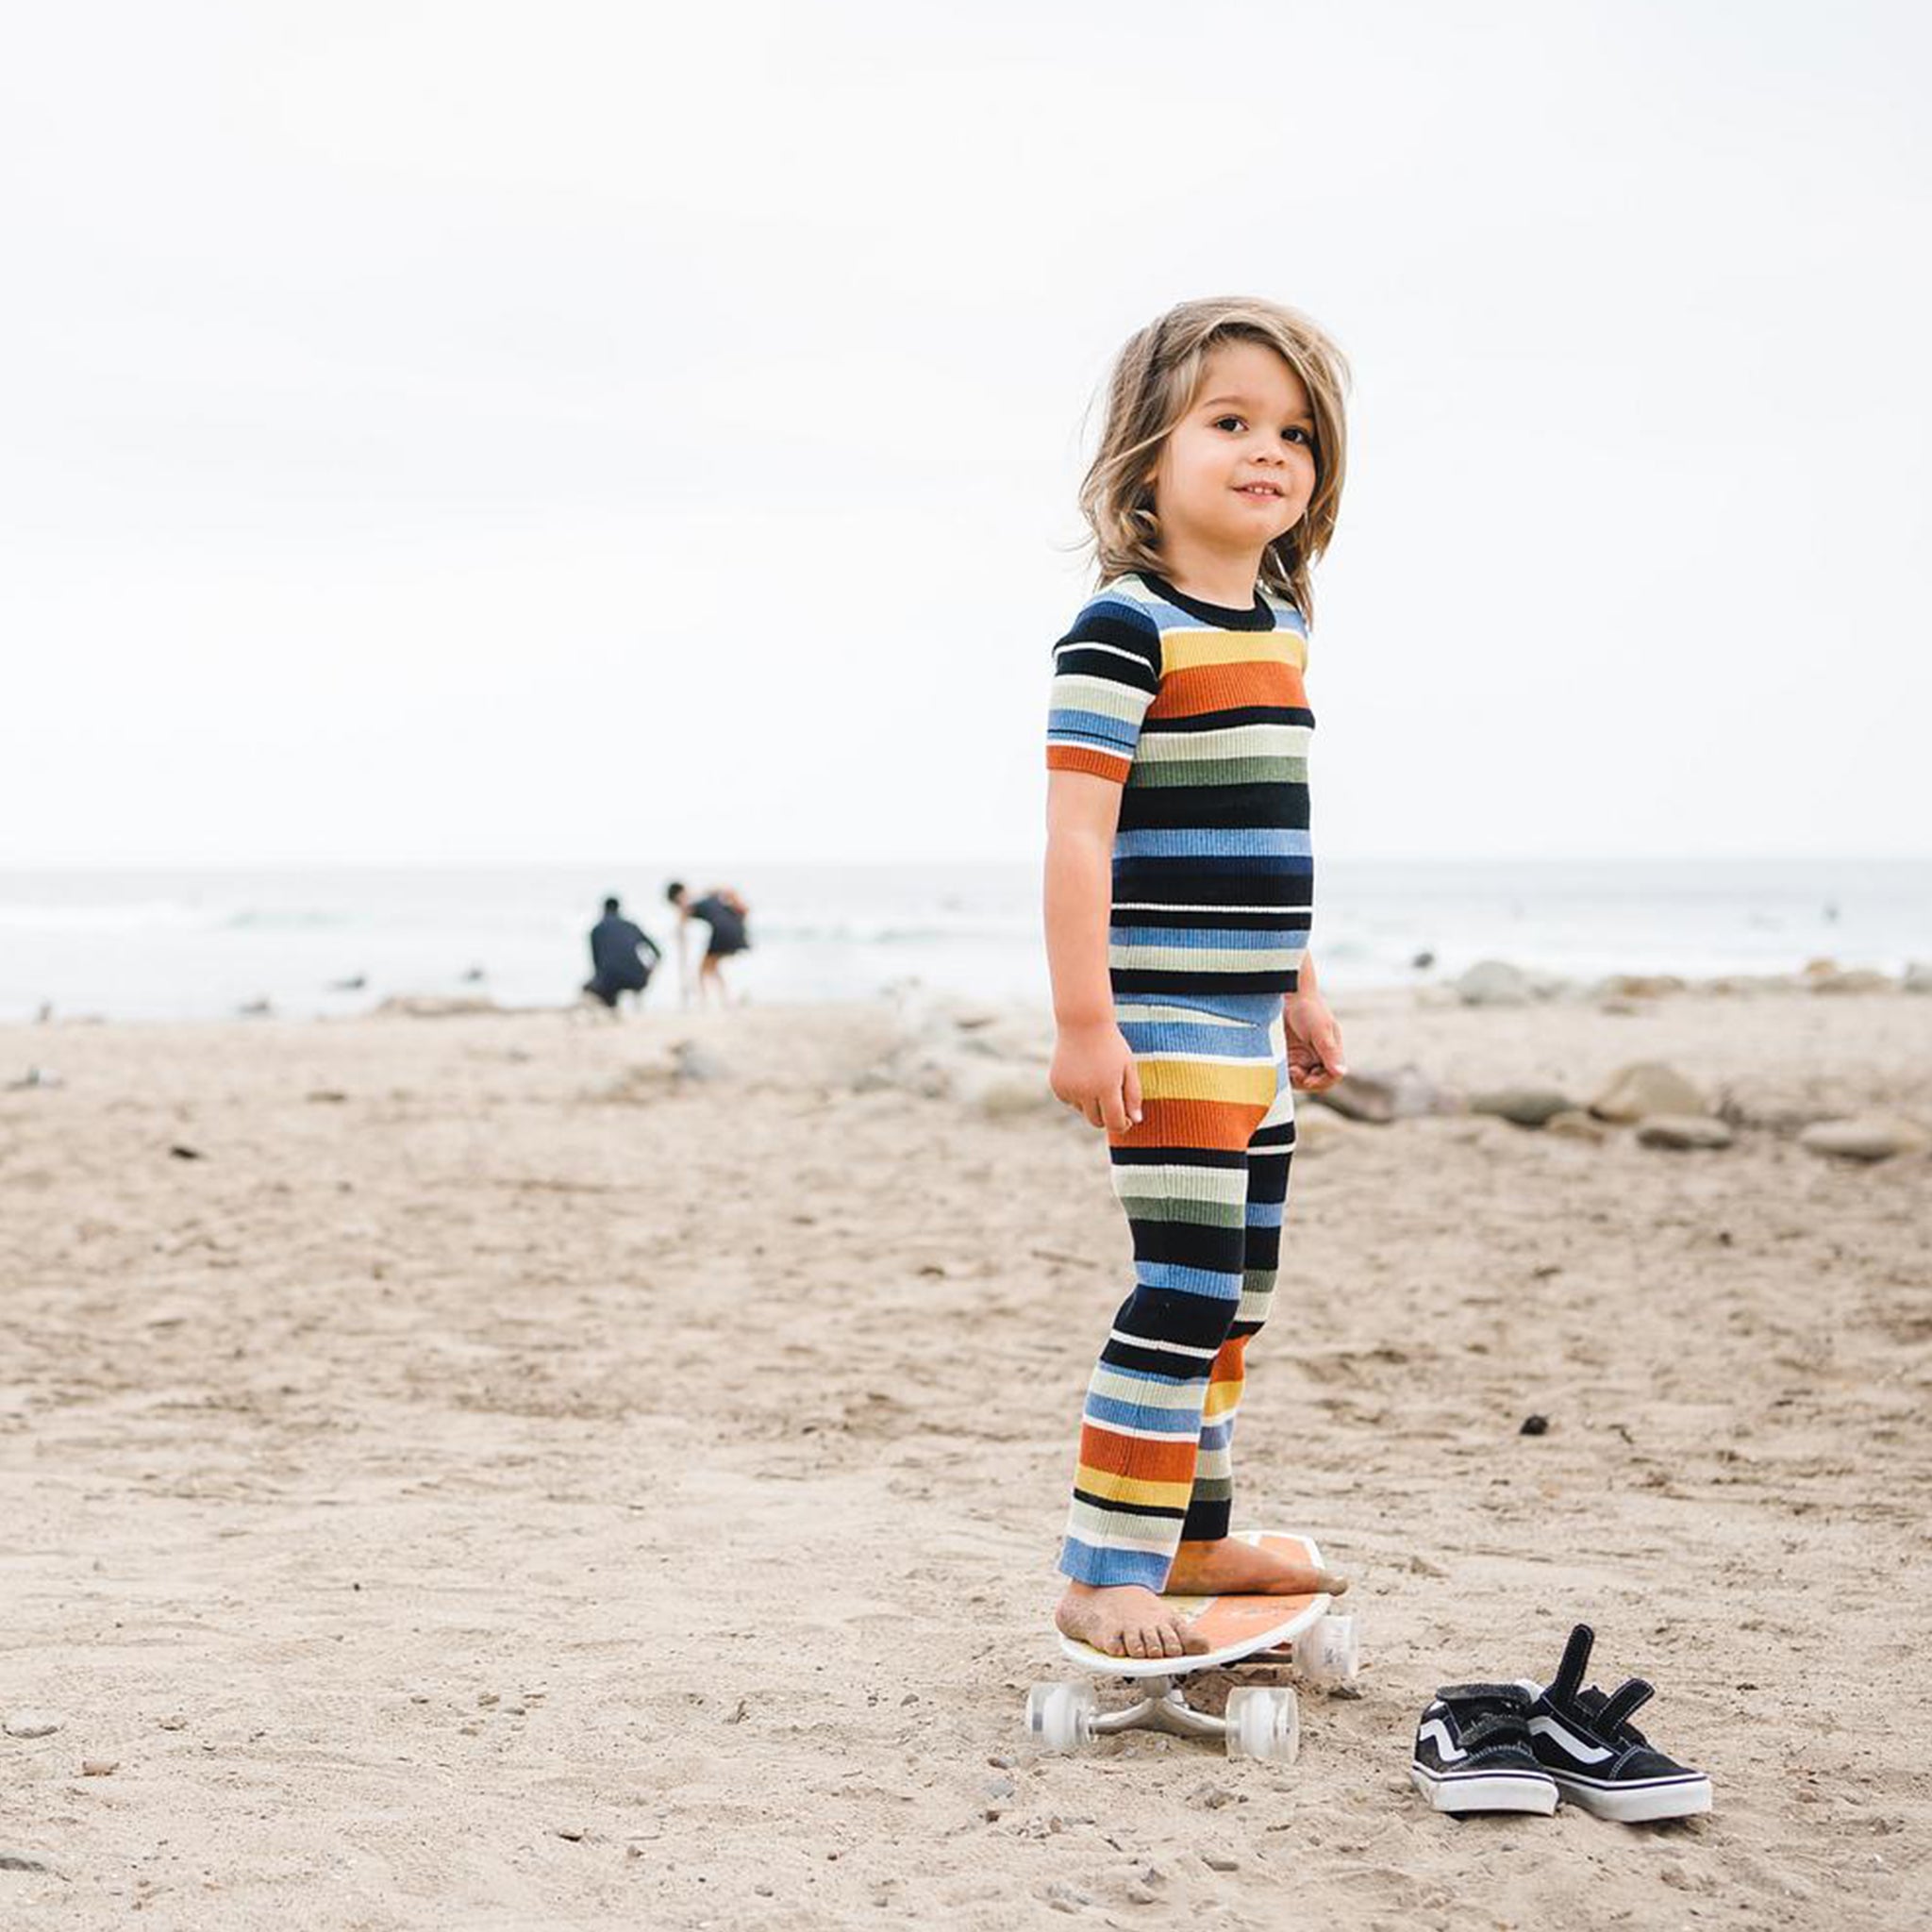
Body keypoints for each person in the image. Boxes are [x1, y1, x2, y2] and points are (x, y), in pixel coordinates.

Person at [1043, 298, 1356, 1661]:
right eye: (1231, 422)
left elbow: (1264, 827)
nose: (1268, 453)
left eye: (1293, 433)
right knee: (1178, 1289)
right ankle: (1103, 1569)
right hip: (1161, 1021)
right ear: (1146, 454)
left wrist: (1301, 983)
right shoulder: (1122, 629)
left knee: (1240, 1301)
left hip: (1251, 1025)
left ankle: (1195, 1535)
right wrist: (1082, 1021)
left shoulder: (1280, 624)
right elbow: (1076, 834)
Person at [665, 881, 751, 1007]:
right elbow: (730, 891)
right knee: (712, 966)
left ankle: (704, 1001)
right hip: (737, 928)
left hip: (721, 931)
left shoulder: (686, 904)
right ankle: (725, 999)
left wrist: (680, 940)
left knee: (702, 970)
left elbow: (681, 930)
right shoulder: (705, 893)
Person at [582, 895, 661, 1010]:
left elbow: (596, 962)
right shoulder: (632, 926)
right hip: (637, 978)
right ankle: (633, 1010)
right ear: (619, 909)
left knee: (591, 988)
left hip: (609, 979)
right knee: (615, 977)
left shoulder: (596, 930)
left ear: (604, 909)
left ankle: (610, 1010)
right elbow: (657, 953)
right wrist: (648, 972)